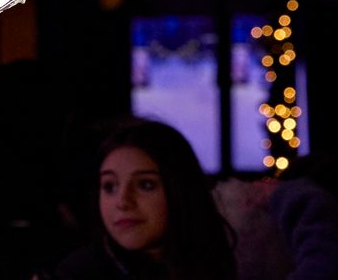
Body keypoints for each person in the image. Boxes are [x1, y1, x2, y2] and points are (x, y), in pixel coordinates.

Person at [48, 120, 237, 280]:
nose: (122, 201)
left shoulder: (211, 263)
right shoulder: (78, 272)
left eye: (145, 185)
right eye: (109, 186)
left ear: (179, 190)